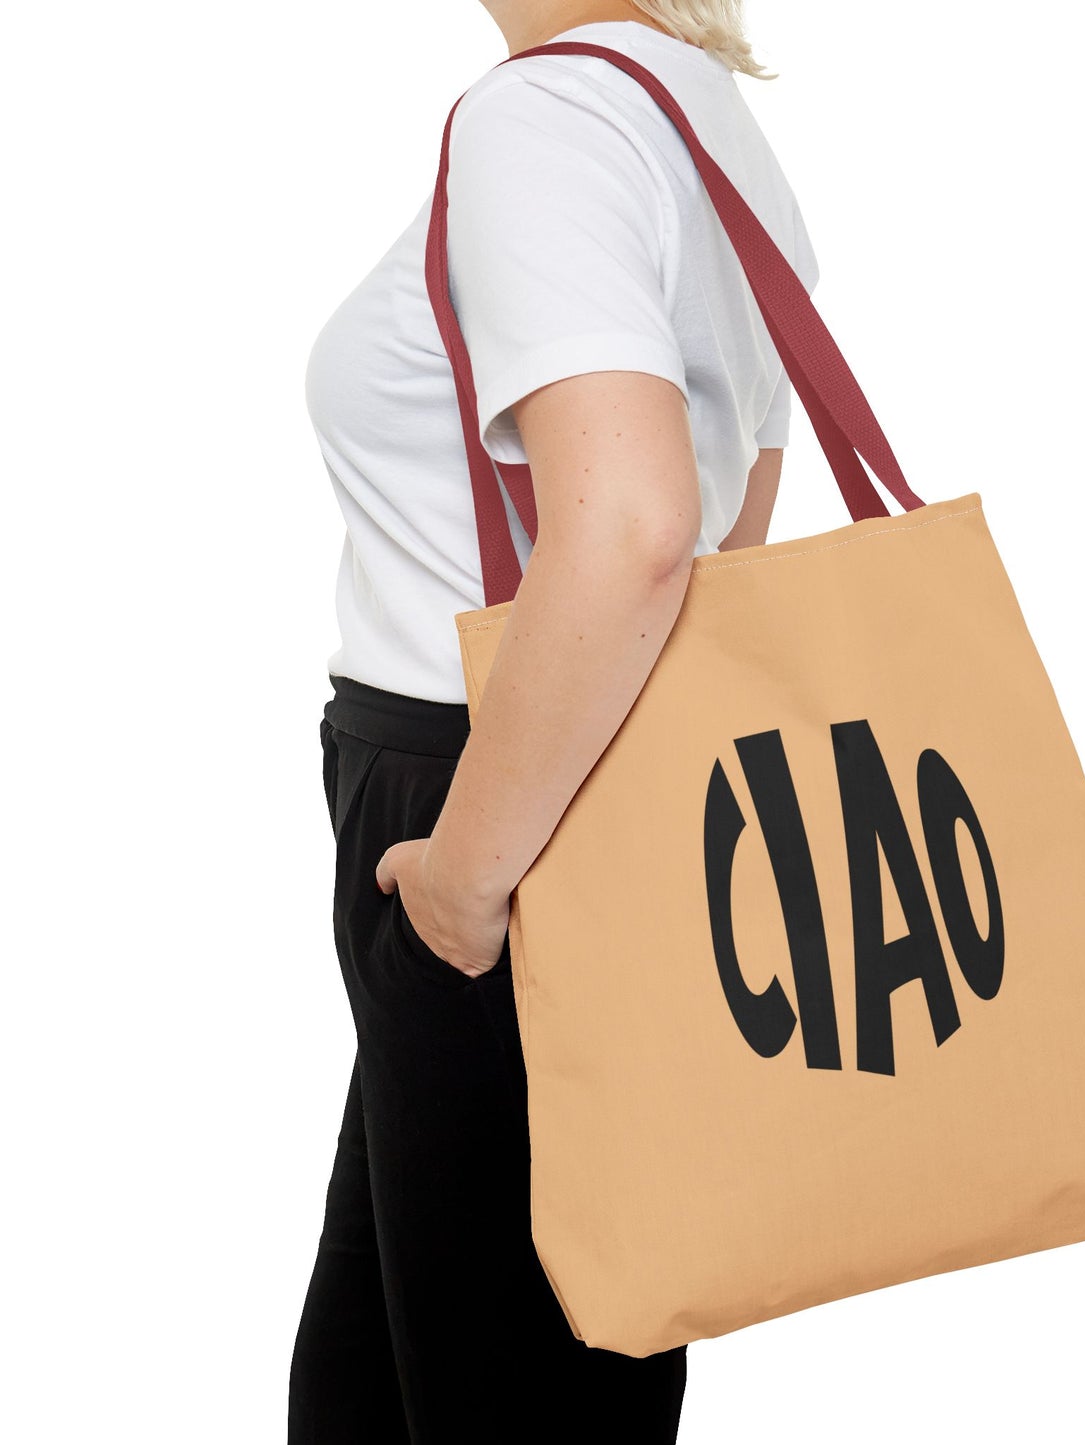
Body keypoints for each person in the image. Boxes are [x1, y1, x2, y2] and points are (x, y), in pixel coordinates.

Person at [287, 2, 820, 1439]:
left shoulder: (547, 119)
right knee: (406, 1374)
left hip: (487, 810)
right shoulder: (696, 110)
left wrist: (465, 884)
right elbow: (736, 521)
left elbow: (640, 526)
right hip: (592, 782)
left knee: (497, 1388)